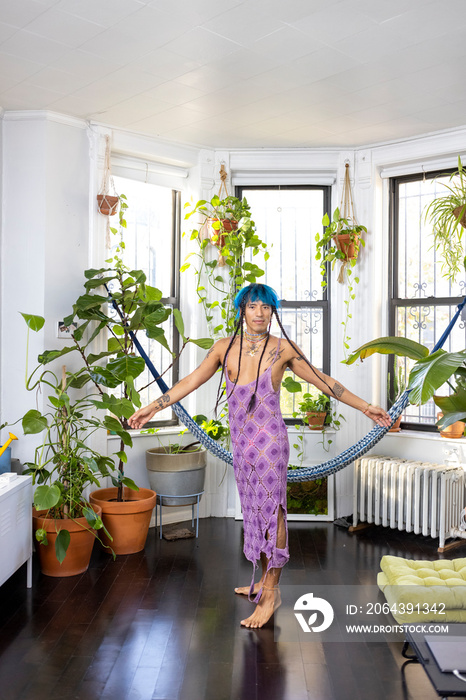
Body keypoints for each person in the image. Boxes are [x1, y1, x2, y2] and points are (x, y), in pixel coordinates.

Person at [128, 284, 391, 628]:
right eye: (253, 306)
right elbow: (191, 381)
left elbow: (326, 383)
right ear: (242, 309)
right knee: (253, 511)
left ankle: (271, 592)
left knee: (274, 512)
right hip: (242, 444)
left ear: (272, 312)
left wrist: (367, 407)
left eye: (266, 307)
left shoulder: (284, 350)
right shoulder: (223, 348)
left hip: (270, 444)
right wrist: (152, 407)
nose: (260, 313)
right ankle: (262, 579)